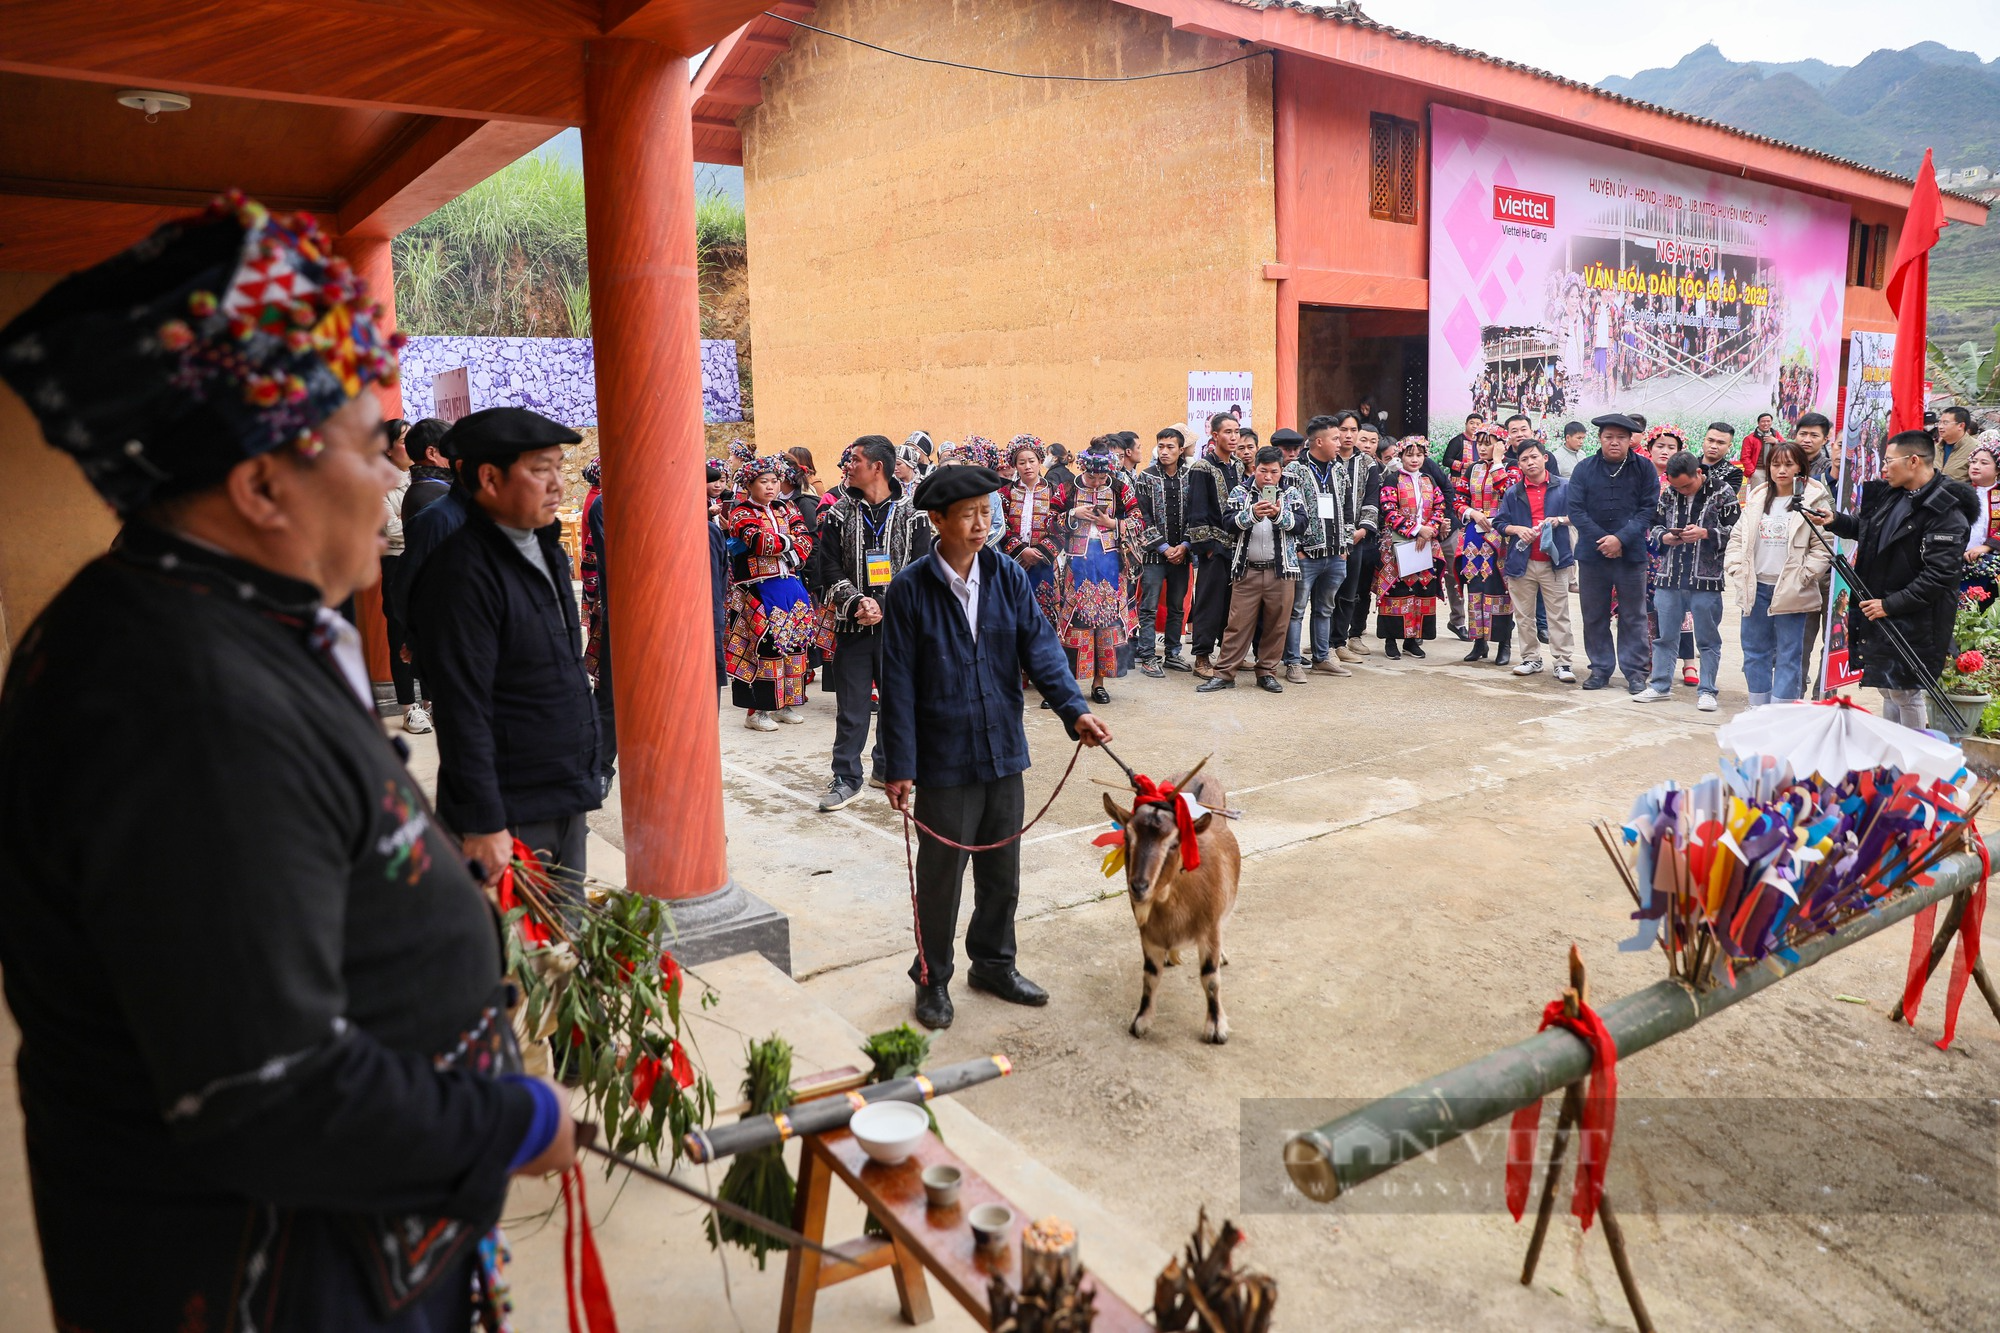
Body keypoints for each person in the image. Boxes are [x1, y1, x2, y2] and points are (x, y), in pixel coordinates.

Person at [0, 197, 579, 1326]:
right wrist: (509, 1121)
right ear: (262, 486)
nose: (396, 484)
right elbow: (271, 1095)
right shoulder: (179, 703)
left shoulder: (230, 613)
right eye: (373, 445)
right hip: (283, 1273)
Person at [879, 465, 1112, 1030]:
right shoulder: (910, 588)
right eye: (969, 515)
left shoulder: (1007, 575)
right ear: (938, 520)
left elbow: (1042, 649)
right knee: (942, 874)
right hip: (944, 758)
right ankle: (933, 976)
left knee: (1002, 870)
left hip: (1003, 747)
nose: (982, 524)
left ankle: (993, 964)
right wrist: (898, 765)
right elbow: (898, 685)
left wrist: (1074, 710)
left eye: (988, 512)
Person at [411, 407, 602, 886]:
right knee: (520, 952)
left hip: (562, 786)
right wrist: (483, 819)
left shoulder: (549, 550)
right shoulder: (462, 572)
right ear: (490, 479)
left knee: (564, 943)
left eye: (559, 466)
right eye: (541, 470)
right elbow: (461, 704)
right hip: (508, 803)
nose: (558, 484)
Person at [1807, 430, 1978, 730]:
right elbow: (1870, 531)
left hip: (1914, 616)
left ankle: (1911, 761)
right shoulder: (1893, 494)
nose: (1883, 468)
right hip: (1880, 606)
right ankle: (1893, 755)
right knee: (1887, 686)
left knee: (1906, 691)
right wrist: (1836, 520)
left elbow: (1939, 575)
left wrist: (1890, 604)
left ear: (1913, 461)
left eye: (1888, 461)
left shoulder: (1946, 511)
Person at [808, 435, 933, 810]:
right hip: (853, 625)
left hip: (898, 629)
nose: (848, 465)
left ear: (877, 467)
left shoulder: (914, 514)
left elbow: (921, 569)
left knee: (899, 704)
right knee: (853, 708)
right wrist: (859, 601)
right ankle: (847, 777)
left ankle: (886, 767)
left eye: (855, 459)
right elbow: (826, 567)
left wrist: (881, 603)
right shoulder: (838, 513)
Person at [1724, 441, 1831, 706]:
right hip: (1756, 586)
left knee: (1789, 654)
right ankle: (1758, 707)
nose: (1781, 470)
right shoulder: (1758, 498)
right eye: (1775, 464)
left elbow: (1823, 545)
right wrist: (1737, 568)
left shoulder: (1812, 500)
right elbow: (1737, 538)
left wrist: (1805, 576)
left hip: (1791, 590)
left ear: (1800, 468)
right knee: (1754, 652)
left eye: (1788, 464)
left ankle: (1781, 711)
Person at [1633, 452, 1739, 711]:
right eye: (1676, 486)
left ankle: (1707, 691)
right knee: (1664, 636)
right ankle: (1660, 685)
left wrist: (1706, 533)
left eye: (1686, 486)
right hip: (1669, 575)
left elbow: (1737, 531)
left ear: (1699, 474)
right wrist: (1663, 537)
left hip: (1706, 579)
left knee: (1707, 640)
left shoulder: (1723, 492)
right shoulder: (1668, 493)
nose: (1680, 490)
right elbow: (1654, 526)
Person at [1197, 445, 1308, 693]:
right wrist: (1252, 515)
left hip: (1281, 571)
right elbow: (1228, 523)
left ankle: (1267, 671)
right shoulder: (1240, 491)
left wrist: (1279, 514)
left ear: (1281, 471)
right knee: (1237, 624)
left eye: (1273, 472)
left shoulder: (1290, 493)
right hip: (1246, 570)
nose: (1268, 477)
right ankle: (1225, 673)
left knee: (1277, 624)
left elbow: (1302, 524)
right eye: (1263, 470)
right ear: (1254, 468)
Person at [722, 456, 819, 732]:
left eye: (774, 481)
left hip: (788, 585)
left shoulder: (786, 508)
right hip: (757, 589)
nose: (770, 487)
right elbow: (757, 541)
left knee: (793, 643)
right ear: (749, 484)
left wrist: (786, 544)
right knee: (764, 646)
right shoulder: (742, 512)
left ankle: (784, 704)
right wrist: (789, 543)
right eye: (763, 482)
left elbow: (806, 541)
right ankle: (757, 710)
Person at [1567, 412, 1661, 692]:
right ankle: (1600, 669)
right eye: (1609, 437)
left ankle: (1634, 672)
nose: (1615, 443)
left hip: (1631, 555)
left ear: (1631, 440)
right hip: (1592, 554)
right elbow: (1576, 510)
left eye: (1621, 438)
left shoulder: (1644, 468)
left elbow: (1648, 510)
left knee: (1633, 615)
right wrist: (1604, 540)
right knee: (1594, 614)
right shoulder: (1584, 468)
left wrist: (1620, 539)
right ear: (1600, 438)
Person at [1059, 442, 1138, 702]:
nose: (1096, 482)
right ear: (1083, 468)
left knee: (1106, 623)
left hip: (1110, 564)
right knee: (1073, 624)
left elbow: (1139, 520)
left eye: (1102, 477)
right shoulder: (1068, 488)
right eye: (1092, 476)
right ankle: (1067, 686)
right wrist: (1073, 513)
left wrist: (1111, 522)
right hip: (1077, 565)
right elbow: (1050, 519)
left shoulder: (1120, 488)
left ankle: (1098, 684)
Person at [1283, 415, 1360, 679]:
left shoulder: (1339, 469)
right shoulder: (1294, 470)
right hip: (1306, 555)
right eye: (1335, 438)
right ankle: (1293, 661)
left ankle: (1321, 657)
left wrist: (1345, 545)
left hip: (1336, 554)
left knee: (1325, 608)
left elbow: (1348, 509)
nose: (1341, 442)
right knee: (1296, 611)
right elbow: (1288, 512)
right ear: (1318, 441)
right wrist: (1299, 549)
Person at [1495, 439, 1577, 682]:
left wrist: (1560, 520)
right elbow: (1499, 523)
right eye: (1524, 459)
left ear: (1545, 458)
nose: (1530, 462)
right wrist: (1517, 529)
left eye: (1534, 457)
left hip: (1555, 561)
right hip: (1522, 562)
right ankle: (1531, 658)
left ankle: (1563, 662)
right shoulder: (1513, 492)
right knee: (1524, 615)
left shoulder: (1565, 487)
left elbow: (1580, 515)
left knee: (1558, 614)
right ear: (1519, 464)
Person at [1375, 435, 1453, 659]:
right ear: (1401, 456)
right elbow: (1389, 510)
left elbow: (1440, 506)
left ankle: (1412, 640)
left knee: (1421, 590)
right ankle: (1391, 640)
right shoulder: (1392, 479)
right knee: (1396, 591)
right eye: (1410, 455)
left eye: (1419, 455)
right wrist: (1417, 530)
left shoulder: (1429, 480)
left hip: (1426, 544)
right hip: (1397, 546)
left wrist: (1430, 529)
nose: (1415, 459)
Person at [378, 417, 433, 735]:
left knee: (427, 628)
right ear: (387, 449)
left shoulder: (423, 478)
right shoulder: (378, 483)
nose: (409, 444)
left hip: (423, 559)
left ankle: (429, 701)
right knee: (399, 631)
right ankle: (408, 708)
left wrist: (407, 519)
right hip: (396, 563)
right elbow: (392, 531)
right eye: (403, 439)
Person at [1184, 411, 1244, 676]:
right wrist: (1206, 547)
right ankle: (1202, 658)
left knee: (1234, 604)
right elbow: (1195, 510)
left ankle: (1229, 656)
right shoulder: (1202, 468)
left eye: (1237, 431)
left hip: (1238, 546)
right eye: (1228, 432)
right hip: (1214, 547)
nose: (1233, 437)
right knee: (1209, 602)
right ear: (1215, 435)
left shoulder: (1238, 466)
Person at [1454, 431, 1520, 665]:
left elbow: (1509, 492)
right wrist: (1471, 512)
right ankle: (1478, 642)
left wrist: (1499, 462)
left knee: (1500, 587)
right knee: (1476, 586)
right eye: (1478, 444)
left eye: (1488, 444)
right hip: (1474, 535)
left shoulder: (1512, 467)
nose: (1481, 449)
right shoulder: (1472, 468)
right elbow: (1459, 499)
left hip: (1501, 535)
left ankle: (1504, 643)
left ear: (1501, 446)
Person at [1134, 426, 1194, 674]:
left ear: (1181, 450)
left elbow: (1196, 514)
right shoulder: (1146, 477)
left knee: (1177, 606)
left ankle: (1172, 653)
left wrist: (1185, 545)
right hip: (1153, 554)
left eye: (1170, 447)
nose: (1165, 451)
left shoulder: (1191, 477)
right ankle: (1148, 655)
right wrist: (1164, 547)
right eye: (1161, 446)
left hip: (1182, 553)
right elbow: (1141, 516)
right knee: (1148, 606)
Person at [1328, 413, 1382, 663]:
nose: (1348, 435)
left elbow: (1372, 499)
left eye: (1352, 430)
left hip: (1358, 537)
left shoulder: (1368, 464)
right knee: (1326, 591)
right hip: (1329, 538)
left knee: (1349, 591)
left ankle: (1340, 642)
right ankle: (1323, 643)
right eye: (1343, 429)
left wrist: (1362, 530)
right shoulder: (1328, 460)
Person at [1792, 410, 1837, 686]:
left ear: (1825, 439)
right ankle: (1794, 694)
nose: (1807, 439)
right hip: (1799, 564)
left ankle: (1825, 695)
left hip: (1832, 563)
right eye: (1803, 434)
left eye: (1814, 435)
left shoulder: (1834, 470)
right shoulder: (1786, 464)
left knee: (1832, 638)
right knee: (1799, 640)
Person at [579, 455, 616, 790]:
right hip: (620, 612)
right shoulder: (604, 505)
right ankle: (602, 767)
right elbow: (596, 560)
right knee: (610, 696)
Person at [1962, 443, 2000, 604]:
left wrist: (1987, 546)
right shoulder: (1959, 491)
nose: (1976, 466)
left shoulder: (1998, 495)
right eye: (1974, 461)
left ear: (1998, 470)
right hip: (1955, 560)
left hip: (1986, 564)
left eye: (1984, 463)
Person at [1700, 421, 1744, 494]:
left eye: (1720, 443)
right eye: (1710, 440)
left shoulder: (1734, 472)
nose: (1713, 446)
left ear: (1728, 446)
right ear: (1704, 441)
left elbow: (1726, 497)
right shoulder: (1688, 465)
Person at [1939, 405, 1978, 484]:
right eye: (1939, 422)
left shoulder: (1977, 449)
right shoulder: (1935, 448)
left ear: (1961, 425)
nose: (1940, 426)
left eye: (1945, 423)